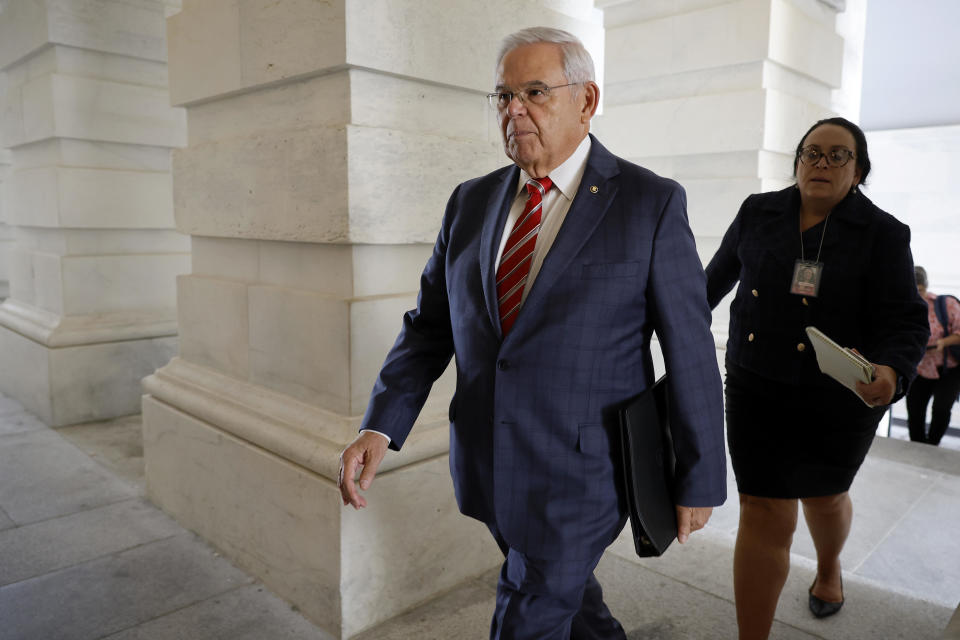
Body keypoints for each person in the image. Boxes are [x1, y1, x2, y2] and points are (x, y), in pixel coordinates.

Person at [338, 26, 727, 639]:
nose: (513, 110)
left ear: (586, 100)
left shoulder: (649, 204)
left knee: (529, 614)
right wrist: (381, 422)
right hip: (490, 463)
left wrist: (701, 475)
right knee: (571, 600)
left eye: (535, 92)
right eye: (502, 96)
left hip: (583, 474)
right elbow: (429, 327)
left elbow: (690, 350)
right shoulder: (469, 203)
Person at [705, 117, 929, 640]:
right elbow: (711, 282)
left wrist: (893, 371)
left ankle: (829, 569)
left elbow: (905, 319)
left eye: (837, 155)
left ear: (860, 170)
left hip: (839, 394)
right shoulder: (759, 212)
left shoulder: (884, 233)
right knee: (762, 509)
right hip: (756, 383)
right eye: (811, 153)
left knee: (824, 498)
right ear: (798, 161)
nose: (821, 164)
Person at [906, 266, 960, 445]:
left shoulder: (945, 305)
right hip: (920, 368)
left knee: (942, 409)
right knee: (914, 409)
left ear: (926, 286)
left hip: (948, 368)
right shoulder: (904, 308)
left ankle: (933, 444)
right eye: (912, 290)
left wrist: (944, 342)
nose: (916, 294)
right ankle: (917, 444)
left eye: (919, 290)